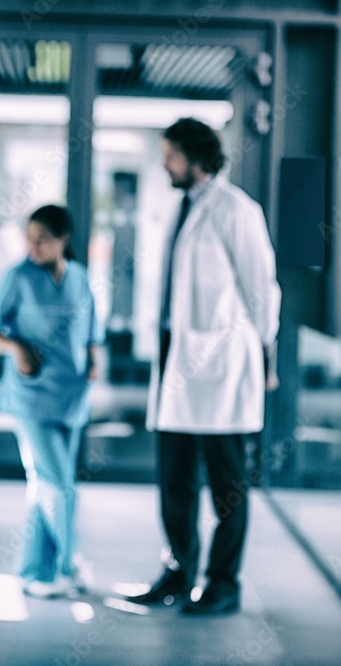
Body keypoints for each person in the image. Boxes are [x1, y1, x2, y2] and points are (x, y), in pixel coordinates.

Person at [124, 118, 281, 615]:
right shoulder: (179, 208)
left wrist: (265, 355)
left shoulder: (237, 210)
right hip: (176, 361)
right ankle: (178, 571)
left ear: (196, 157)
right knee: (174, 481)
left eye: (170, 155)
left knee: (227, 487)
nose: (164, 164)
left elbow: (262, 291)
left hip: (222, 368)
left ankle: (223, 583)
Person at [0, 204, 103, 598]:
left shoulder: (80, 278)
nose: (33, 246)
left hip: (71, 395)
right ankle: (71, 564)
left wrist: (94, 358)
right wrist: (16, 347)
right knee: (62, 486)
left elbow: (91, 330)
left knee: (45, 485)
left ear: (62, 239)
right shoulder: (17, 277)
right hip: (31, 397)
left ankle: (35, 572)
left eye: (43, 239)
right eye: (30, 237)